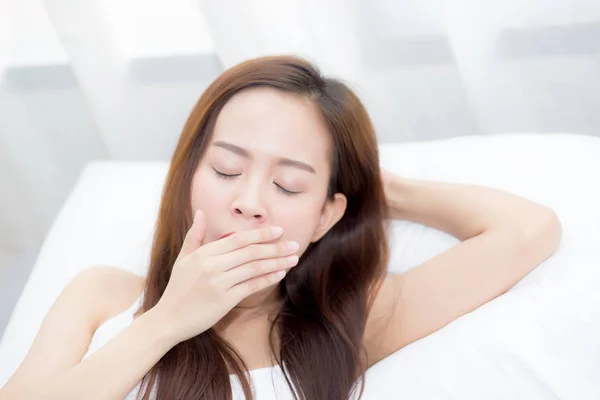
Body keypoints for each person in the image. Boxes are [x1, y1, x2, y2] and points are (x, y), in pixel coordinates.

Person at [0, 55, 562, 400]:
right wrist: (165, 322)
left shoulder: (349, 323)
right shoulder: (101, 296)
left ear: (325, 216)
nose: (248, 202)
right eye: (226, 169)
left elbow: (527, 231)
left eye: (288, 186)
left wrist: (382, 192)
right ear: (191, 173)